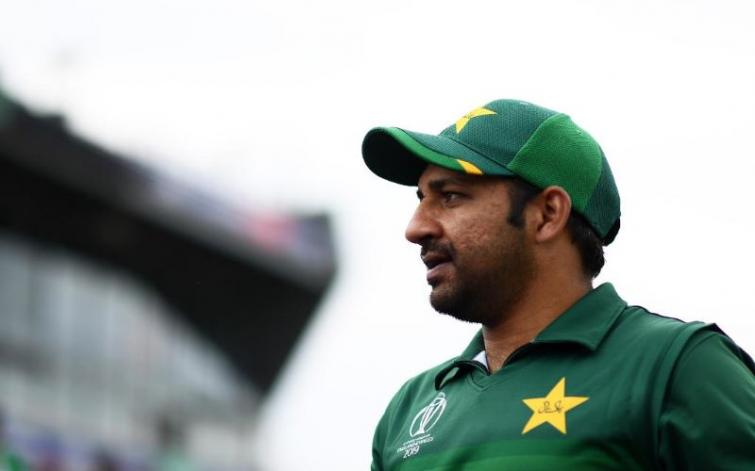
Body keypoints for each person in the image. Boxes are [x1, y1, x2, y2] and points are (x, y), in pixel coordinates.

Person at [361, 99, 755, 470]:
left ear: (548, 214)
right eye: (421, 199)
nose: (416, 228)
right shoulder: (408, 409)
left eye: (450, 196)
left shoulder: (678, 366)